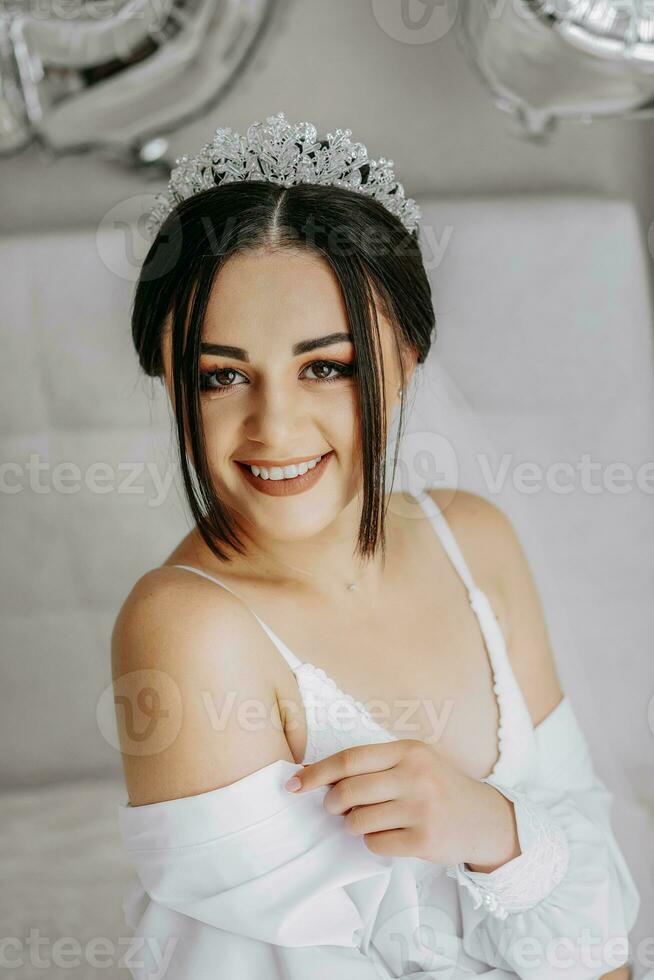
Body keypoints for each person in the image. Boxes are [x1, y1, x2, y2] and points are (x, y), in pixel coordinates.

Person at [112, 113, 639, 980]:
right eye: (221, 376)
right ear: (170, 379)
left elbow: (596, 932)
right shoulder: (188, 630)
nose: (274, 427)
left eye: (327, 366)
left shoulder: (473, 540)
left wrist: (494, 829)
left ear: (405, 358)